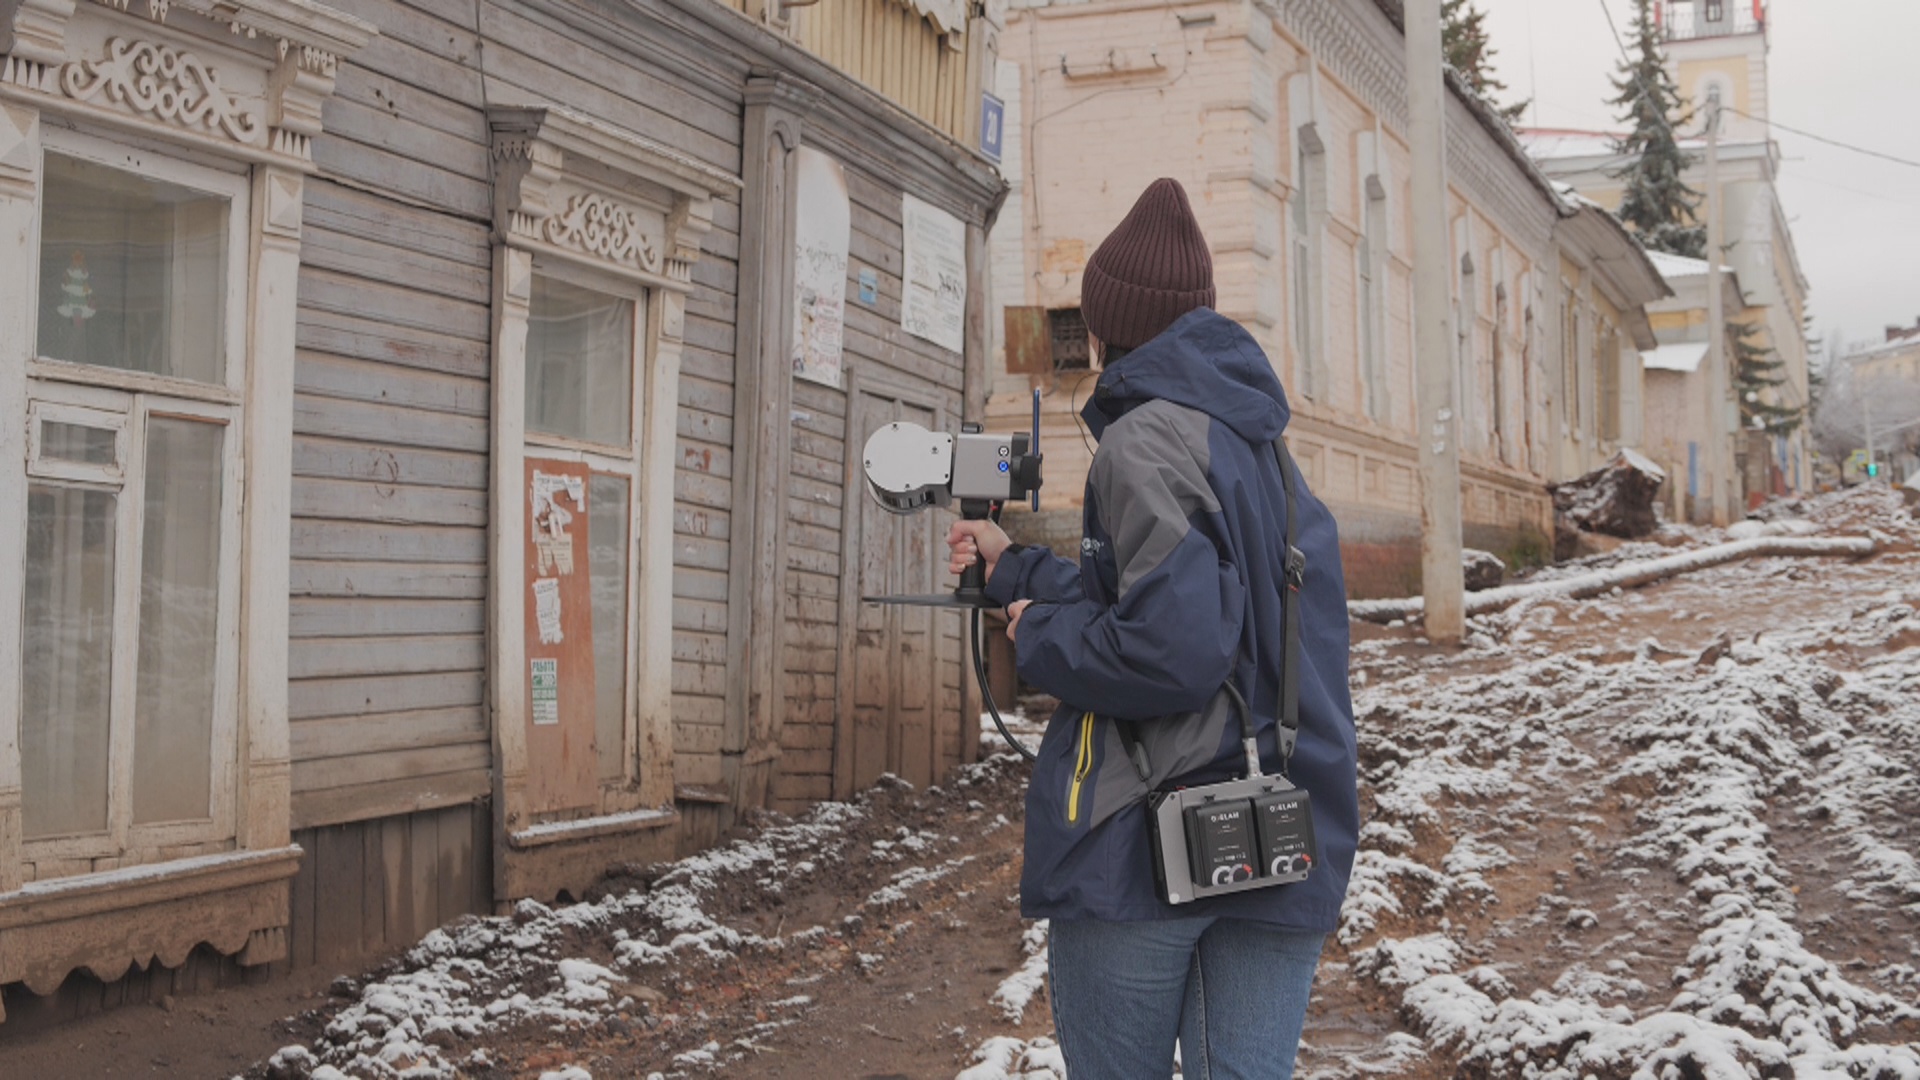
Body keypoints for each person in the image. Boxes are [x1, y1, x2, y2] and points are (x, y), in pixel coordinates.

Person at [947, 178, 1359, 1079]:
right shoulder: (1260, 444)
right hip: (1283, 828)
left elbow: (1170, 649)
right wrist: (1017, 568)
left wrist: (1036, 635)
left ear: (1108, 325)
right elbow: (1192, 603)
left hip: (1143, 839)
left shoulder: (1142, 440)